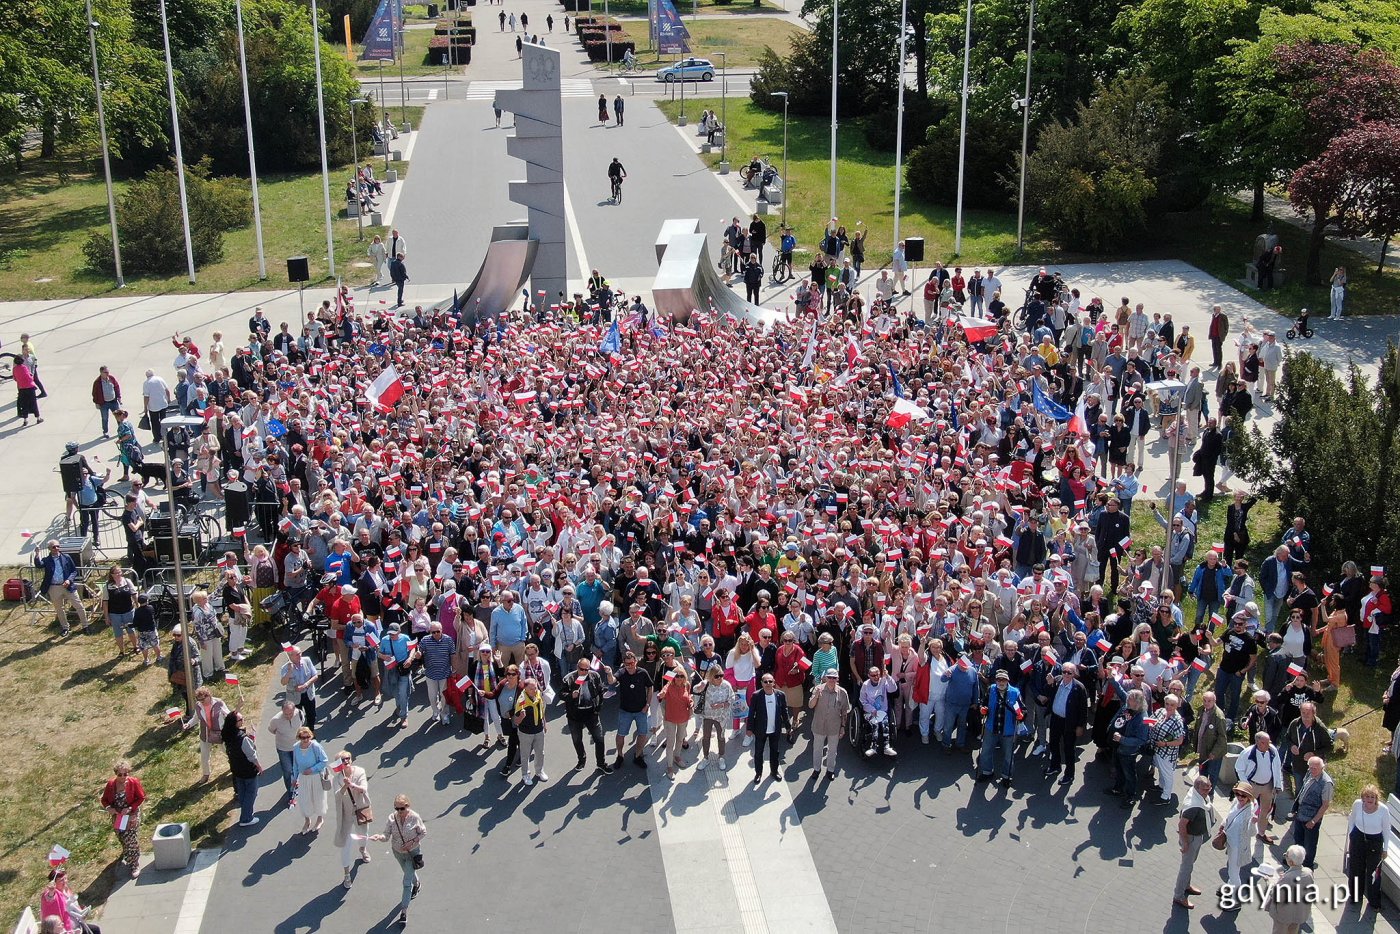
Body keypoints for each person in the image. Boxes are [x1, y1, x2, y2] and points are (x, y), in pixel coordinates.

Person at [369, 794, 427, 927]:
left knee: (406, 883)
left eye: (402, 808)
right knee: (408, 872)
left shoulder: (414, 817)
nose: (399, 811)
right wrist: (379, 837)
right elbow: (386, 835)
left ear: (408, 806)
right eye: (397, 808)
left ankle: (404, 911)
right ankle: (417, 883)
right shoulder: (392, 818)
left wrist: (411, 842)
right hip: (398, 853)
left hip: (412, 852)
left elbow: (423, 832)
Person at [1172, 775, 1218, 909]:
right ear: (1197, 788)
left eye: (1209, 788)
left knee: (1190, 864)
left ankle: (1186, 885)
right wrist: (1185, 843)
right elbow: (1182, 825)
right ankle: (1179, 895)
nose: (1207, 792)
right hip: (1191, 838)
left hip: (1197, 837)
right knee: (1186, 867)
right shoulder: (1193, 805)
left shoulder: (1200, 797)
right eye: (1204, 789)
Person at [565, 656, 613, 773]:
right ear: (577, 667)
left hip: (591, 713)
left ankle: (601, 763)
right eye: (582, 669)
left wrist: (598, 708)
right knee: (577, 739)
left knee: (599, 739)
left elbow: (601, 691)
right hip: (575, 715)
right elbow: (561, 694)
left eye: (587, 669)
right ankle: (581, 759)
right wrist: (571, 695)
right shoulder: (569, 678)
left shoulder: (594, 676)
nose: (585, 672)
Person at [100, 759, 146, 879]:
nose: (123, 777)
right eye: (120, 774)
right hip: (118, 816)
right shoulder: (111, 785)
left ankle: (134, 863)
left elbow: (141, 797)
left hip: (131, 814)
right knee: (121, 835)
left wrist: (130, 808)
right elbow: (104, 800)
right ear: (116, 774)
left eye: (125, 774)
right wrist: (109, 808)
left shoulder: (133, 782)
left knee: (130, 838)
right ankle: (127, 853)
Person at [1235, 731, 1284, 844]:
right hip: (1253, 786)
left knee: (1265, 811)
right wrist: (1246, 785)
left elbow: (1277, 767)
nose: (1268, 744)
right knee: (1246, 809)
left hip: (1268, 785)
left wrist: (1278, 784)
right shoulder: (1247, 753)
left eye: (1269, 742)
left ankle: (1261, 833)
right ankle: (1241, 832)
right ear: (1258, 743)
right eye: (1265, 742)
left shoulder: (1272, 751)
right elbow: (1239, 769)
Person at [332, 750, 372, 888]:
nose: (346, 761)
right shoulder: (337, 779)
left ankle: (362, 849)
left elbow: (364, 788)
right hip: (346, 815)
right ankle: (346, 874)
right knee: (345, 846)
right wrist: (344, 785)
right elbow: (337, 796)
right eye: (343, 760)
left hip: (360, 809)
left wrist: (352, 785)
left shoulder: (360, 771)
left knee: (363, 836)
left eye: (348, 758)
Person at [1345, 784, 1389, 908]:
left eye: (1372, 797)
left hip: (1375, 841)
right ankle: (1355, 896)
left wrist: (1385, 849)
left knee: (1373, 873)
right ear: (1363, 797)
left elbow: (1386, 830)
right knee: (1355, 868)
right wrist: (1351, 836)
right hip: (1359, 838)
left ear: (1376, 798)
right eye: (1367, 796)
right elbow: (1352, 819)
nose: (1370, 799)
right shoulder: (1357, 804)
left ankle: (1374, 901)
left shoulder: (1383, 810)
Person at [978, 669, 1022, 787]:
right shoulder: (991, 689)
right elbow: (984, 703)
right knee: (985, 752)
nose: (1001, 682)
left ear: (1008, 681)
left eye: (1003, 680)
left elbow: (1022, 710)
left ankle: (1007, 776)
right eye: (999, 679)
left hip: (1008, 730)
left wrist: (1021, 715)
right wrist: (983, 709)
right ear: (996, 680)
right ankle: (987, 772)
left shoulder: (1015, 693)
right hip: (991, 728)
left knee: (1008, 756)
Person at [1107, 688, 1149, 807]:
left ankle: (1130, 797)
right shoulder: (1129, 709)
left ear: (1137, 702)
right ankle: (1118, 789)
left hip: (1128, 751)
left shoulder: (1142, 718)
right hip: (1118, 747)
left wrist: (1122, 739)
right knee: (1119, 770)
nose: (1127, 701)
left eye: (1130, 699)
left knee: (1129, 774)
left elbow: (1141, 740)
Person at [745, 671, 789, 785]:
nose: (768, 683)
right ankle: (758, 773)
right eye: (765, 681)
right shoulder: (756, 696)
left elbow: (784, 711)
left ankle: (774, 772)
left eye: (770, 681)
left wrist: (788, 727)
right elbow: (751, 713)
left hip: (775, 730)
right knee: (758, 753)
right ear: (762, 683)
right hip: (760, 730)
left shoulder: (780, 695)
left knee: (775, 752)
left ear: (774, 682)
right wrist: (749, 729)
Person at [1290, 755, 1334, 869]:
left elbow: (1325, 805)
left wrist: (1314, 821)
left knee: (1309, 845)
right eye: (1310, 767)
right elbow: (1303, 792)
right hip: (1300, 815)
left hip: (1311, 819)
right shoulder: (1309, 773)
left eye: (1315, 768)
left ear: (1322, 768)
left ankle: (1308, 865)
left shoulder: (1326, 783)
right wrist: (1295, 809)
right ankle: (1295, 862)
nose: (1312, 770)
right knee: (1298, 840)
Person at [221, 709, 263, 827]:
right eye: (240, 719)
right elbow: (251, 755)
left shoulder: (227, 734)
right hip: (248, 770)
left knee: (243, 792)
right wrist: (259, 766)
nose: (242, 720)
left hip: (236, 769)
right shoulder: (242, 738)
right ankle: (246, 818)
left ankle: (245, 812)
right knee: (251, 793)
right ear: (235, 723)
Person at [38, 539, 87, 635]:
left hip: (68, 586)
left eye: (58, 546)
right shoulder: (46, 560)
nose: (56, 548)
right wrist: (37, 554)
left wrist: (69, 580)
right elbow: (38, 565)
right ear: (49, 549)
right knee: (59, 609)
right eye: (53, 547)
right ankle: (65, 628)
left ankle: (85, 626)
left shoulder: (66, 557)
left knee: (79, 606)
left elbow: (74, 571)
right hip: (54, 587)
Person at [808, 669, 850, 780]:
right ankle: (816, 769)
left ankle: (830, 770)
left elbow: (844, 712)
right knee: (817, 749)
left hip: (834, 727)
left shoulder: (842, 692)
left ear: (837, 679)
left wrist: (842, 728)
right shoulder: (818, 689)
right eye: (829, 677)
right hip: (819, 725)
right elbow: (811, 705)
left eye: (834, 678)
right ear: (825, 678)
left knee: (832, 751)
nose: (831, 680)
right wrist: (816, 696)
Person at [1263, 844, 1316, 931]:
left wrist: (1270, 882)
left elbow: (1276, 895)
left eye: (1286, 856)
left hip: (1284, 915)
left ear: (1291, 862)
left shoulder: (1287, 878)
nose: (1285, 857)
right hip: (1300, 912)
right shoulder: (1308, 872)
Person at [694, 663, 736, 771]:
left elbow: (732, 698)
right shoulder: (706, 684)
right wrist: (700, 686)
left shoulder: (726, 685)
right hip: (708, 716)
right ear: (711, 676)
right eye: (717, 676)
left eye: (721, 675)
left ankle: (721, 757)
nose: (720, 678)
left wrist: (721, 705)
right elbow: (695, 689)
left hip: (721, 717)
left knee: (721, 737)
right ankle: (706, 758)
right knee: (706, 737)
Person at [267, 697, 305, 801]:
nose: (288, 716)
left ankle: (296, 782)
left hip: (297, 747)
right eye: (285, 714)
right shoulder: (276, 720)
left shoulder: (300, 713)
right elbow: (271, 729)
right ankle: (291, 792)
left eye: (290, 714)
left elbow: (302, 725)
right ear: (282, 711)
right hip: (283, 749)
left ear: (294, 710)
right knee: (287, 771)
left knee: (297, 768)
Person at [1221, 783, 1258, 890]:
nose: (1240, 797)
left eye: (1243, 796)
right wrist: (1222, 824)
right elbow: (1229, 815)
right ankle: (1230, 886)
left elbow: (1252, 833)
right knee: (1232, 870)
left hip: (1238, 847)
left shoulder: (1250, 812)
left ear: (1249, 797)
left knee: (1233, 872)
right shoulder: (1235, 802)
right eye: (1237, 794)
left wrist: (1253, 823)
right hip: (1230, 842)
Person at [513, 676, 549, 785]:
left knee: (540, 753)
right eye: (532, 689)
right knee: (525, 755)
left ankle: (539, 771)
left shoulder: (537, 694)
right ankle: (525, 774)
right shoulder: (521, 701)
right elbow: (516, 722)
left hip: (538, 730)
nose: (535, 690)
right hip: (526, 733)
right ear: (525, 689)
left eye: (536, 688)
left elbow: (541, 709)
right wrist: (521, 717)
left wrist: (544, 723)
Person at [101, 566, 138, 658]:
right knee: (118, 633)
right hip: (114, 614)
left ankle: (135, 646)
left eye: (120, 572)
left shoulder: (127, 581)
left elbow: (134, 595)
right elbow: (105, 602)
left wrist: (139, 606)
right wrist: (106, 617)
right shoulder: (107, 585)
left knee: (131, 631)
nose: (118, 574)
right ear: (112, 575)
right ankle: (121, 651)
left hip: (128, 611)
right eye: (116, 573)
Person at [279, 644, 319, 727]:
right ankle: (300, 736)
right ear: (290, 656)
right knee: (297, 719)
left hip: (308, 694)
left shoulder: (307, 660)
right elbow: (283, 682)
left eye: (300, 653)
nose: (300, 655)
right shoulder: (285, 668)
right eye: (297, 654)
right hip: (294, 697)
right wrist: (289, 671)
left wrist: (305, 685)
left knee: (311, 716)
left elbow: (315, 676)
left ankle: (310, 734)